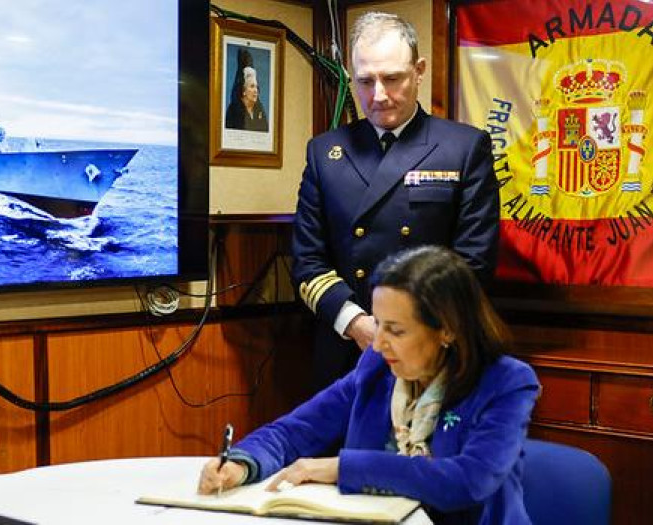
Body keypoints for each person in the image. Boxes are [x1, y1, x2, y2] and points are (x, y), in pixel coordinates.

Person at [198, 246, 538, 525]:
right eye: (379, 324)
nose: (378, 343)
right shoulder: (378, 367)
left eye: (396, 330)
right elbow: (294, 432)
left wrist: (342, 468)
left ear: (447, 329)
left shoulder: (506, 382)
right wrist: (242, 464)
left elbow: (467, 480)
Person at [293, 12, 499, 391]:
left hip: (433, 349)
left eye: (392, 79)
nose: (379, 95)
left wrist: (403, 329)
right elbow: (308, 261)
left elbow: (474, 262)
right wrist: (358, 324)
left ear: (419, 72)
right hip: (347, 350)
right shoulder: (325, 153)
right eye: (365, 81)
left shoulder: (464, 148)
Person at [224, 52, 269, 132]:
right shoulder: (233, 111)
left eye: (256, 87)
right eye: (252, 86)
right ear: (243, 90)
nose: (256, 90)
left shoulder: (260, 110)